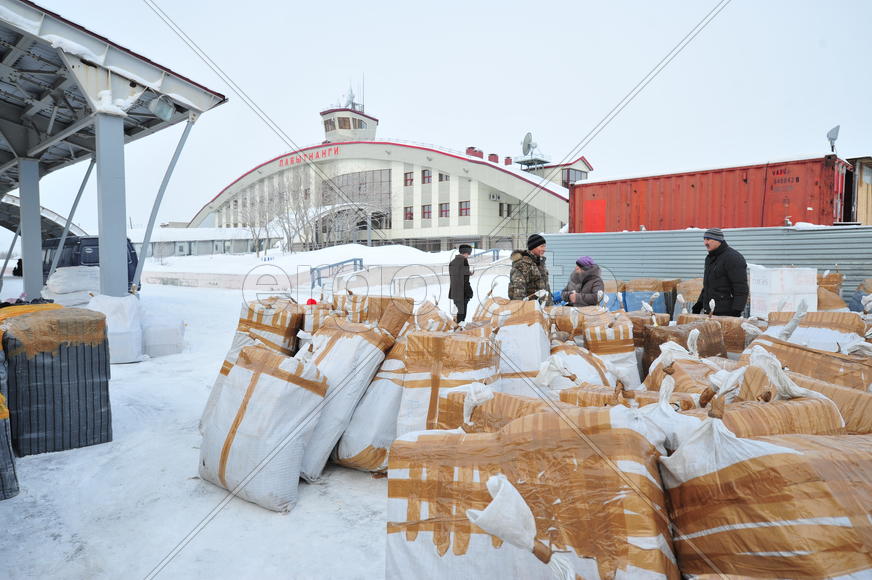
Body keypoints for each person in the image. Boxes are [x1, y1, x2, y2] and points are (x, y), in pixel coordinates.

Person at [692, 228, 749, 316]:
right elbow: (708, 285)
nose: (705, 243)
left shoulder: (733, 258)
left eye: (708, 239)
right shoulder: (710, 258)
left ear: (718, 240)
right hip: (710, 311)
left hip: (726, 313)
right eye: (704, 239)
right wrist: (699, 303)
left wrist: (736, 311)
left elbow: (741, 288)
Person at [508, 233, 552, 304]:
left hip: (543, 308)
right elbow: (518, 293)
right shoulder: (522, 265)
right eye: (541, 246)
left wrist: (549, 304)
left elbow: (545, 288)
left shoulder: (540, 263)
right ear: (533, 247)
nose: (544, 249)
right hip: (530, 310)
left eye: (544, 246)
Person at [448, 244, 473, 323]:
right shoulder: (464, 261)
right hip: (462, 293)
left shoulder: (452, 262)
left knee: (457, 314)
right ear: (465, 252)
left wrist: (467, 273)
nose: (468, 255)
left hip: (455, 292)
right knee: (462, 316)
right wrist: (469, 292)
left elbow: (456, 276)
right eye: (469, 253)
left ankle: (456, 328)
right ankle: (459, 331)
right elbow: (464, 281)